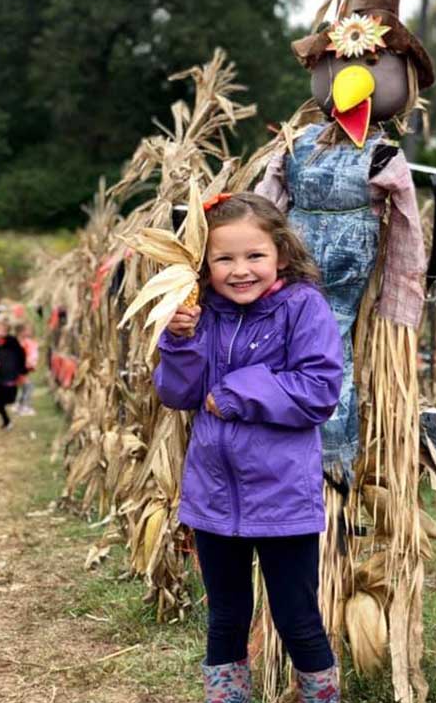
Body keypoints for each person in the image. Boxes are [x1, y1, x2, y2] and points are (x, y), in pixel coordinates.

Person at [154, 193, 343, 703]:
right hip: (213, 500)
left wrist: (237, 393)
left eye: (254, 256)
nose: (241, 270)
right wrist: (179, 342)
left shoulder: (303, 308)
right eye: (224, 259)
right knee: (225, 618)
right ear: (204, 264)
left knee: (297, 618)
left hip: (282, 499)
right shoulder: (201, 314)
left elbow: (319, 390)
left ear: (280, 253)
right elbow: (178, 394)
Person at [0, 316, 27, 431]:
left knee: (11, 399)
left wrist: (22, 371)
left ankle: (13, 403)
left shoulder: (12, 341)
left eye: (3, 330)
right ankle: (6, 420)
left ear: (7, 331)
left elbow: (21, 355)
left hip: (11, 374)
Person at [15, 322, 39, 416]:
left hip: (23, 368)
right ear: (21, 332)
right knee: (28, 387)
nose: (29, 332)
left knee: (26, 387)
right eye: (27, 330)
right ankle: (24, 407)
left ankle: (20, 406)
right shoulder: (19, 342)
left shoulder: (24, 341)